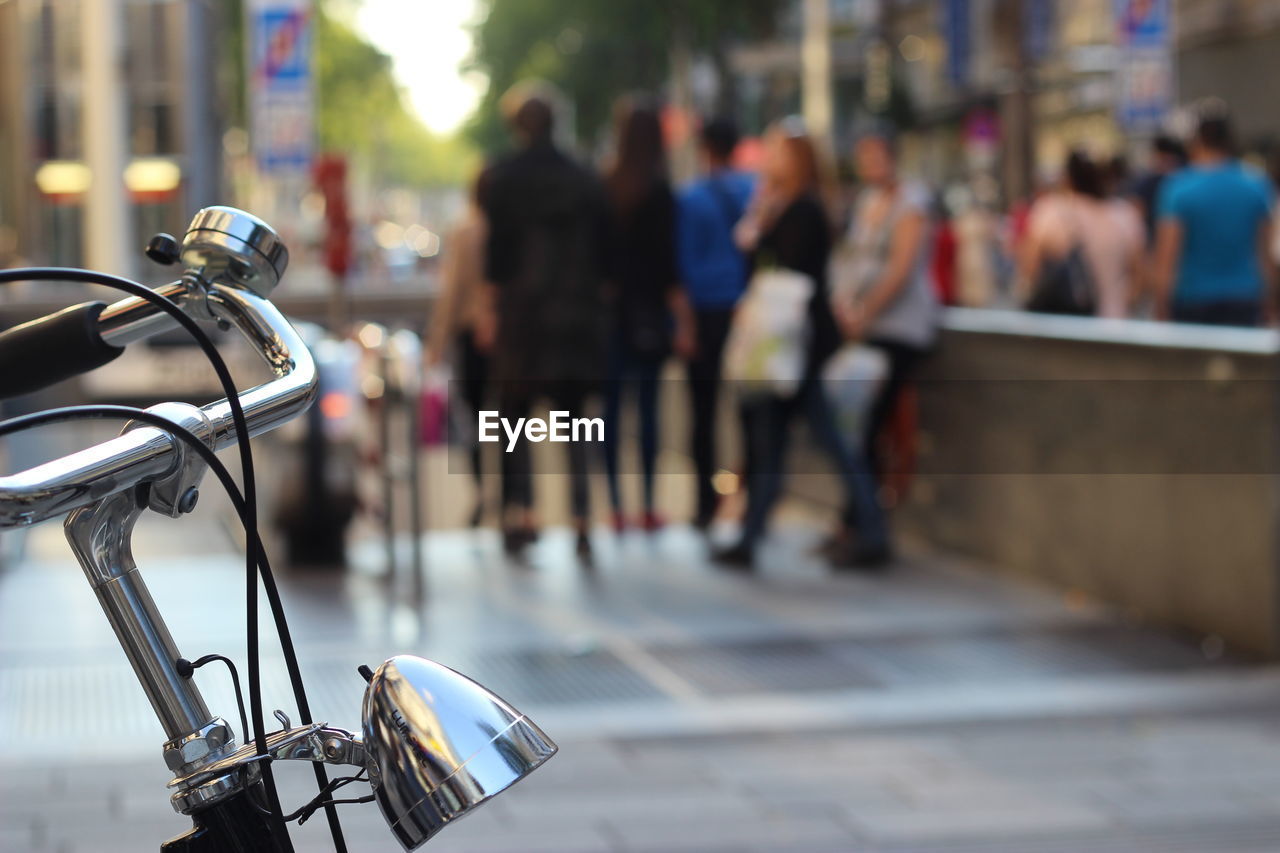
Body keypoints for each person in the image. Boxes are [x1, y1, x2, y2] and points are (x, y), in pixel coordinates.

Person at [713, 120, 888, 570]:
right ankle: (753, 535)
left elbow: (783, 268)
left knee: (818, 440)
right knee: (776, 442)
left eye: (778, 152)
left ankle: (868, 528)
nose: (769, 160)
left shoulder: (804, 209)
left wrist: (761, 226)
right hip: (786, 345)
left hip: (797, 344)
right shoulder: (779, 203)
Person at [480, 83, 611, 559]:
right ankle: (581, 518)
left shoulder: (503, 178)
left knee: (514, 420)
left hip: (523, 316)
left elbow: (496, 259)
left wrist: (493, 310)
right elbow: (604, 250)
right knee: (576, 422)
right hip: (575, 313)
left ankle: (522, 514)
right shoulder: (584, 176)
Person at [830, 131, 939, 535]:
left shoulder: (912, 202)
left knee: (872, 423)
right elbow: (849, 260)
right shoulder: (867, 202)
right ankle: (854, 521)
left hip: (897, 328)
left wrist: (864, 311)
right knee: (855, 425)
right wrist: (845, 306)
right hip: (864, 326)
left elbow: (901, 268)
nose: (869, 165)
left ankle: (864, 524)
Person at [600, 98, 695, 533]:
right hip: (650, 317)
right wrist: (684, 320)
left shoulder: (605, 185)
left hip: (611, 317)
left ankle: (616, 508)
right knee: (650, 414)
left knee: (612, 416)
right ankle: (650, 505)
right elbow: (669, 264)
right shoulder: (661, 190)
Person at [676, 116, 755, 530]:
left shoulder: (691, 198)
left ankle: (706, 504)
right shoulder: (753, 190)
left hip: (706, 313)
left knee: (702, 414)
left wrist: (684, 326)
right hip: (747, 314)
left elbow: (683, 266)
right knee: (749, 414)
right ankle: (750, 502)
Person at [1154, 108, 1276, 326]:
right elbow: (1265, 254)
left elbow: (1167, 255)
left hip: (1192, 300)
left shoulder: (1178, 188)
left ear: (1196, 140)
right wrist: (1271, 301)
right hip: (1245, 297)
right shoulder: (1256, 185)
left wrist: (1161, 303)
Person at [426, 167, 494, 527]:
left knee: (478, 418)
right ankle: (513, 494)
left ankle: (484, 488)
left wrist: (436, 343)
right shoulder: (512, 229)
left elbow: (451, 293)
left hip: (472, 339)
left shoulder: (467, 231)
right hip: (511, 339)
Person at [1019, 151, 1144, 319]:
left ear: (1068, 178)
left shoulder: (1050, 212)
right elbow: (1140, 276)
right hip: (1114, 325)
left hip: (1063, 326)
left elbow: (1029, 268)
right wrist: (1121, 302)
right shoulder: (1125, 215)